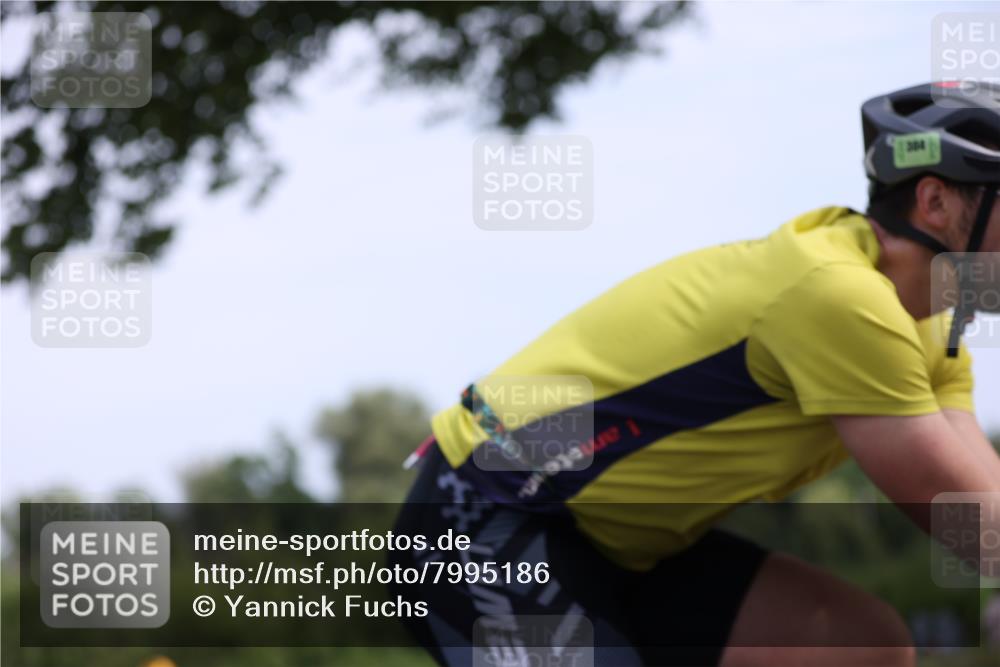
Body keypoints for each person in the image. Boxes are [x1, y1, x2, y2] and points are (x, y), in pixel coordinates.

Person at [389, 82, 1000, 667]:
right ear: (936, 201)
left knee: (858, 644)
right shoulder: (837, 295)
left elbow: (978, 500)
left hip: (614, 543)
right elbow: (952, 505)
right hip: (481, 518)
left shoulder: (929, 331)